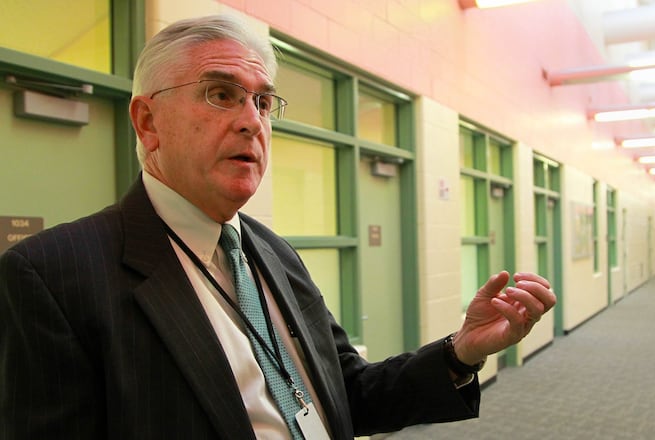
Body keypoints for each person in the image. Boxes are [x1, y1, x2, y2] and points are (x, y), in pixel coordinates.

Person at [0, 14, 555, 440]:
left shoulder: (268, 250)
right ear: (149, 122)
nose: (251, 121)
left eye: (263, 102)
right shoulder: (54, 277)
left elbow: (347, 390)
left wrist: (461, 352)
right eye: (221, 94)